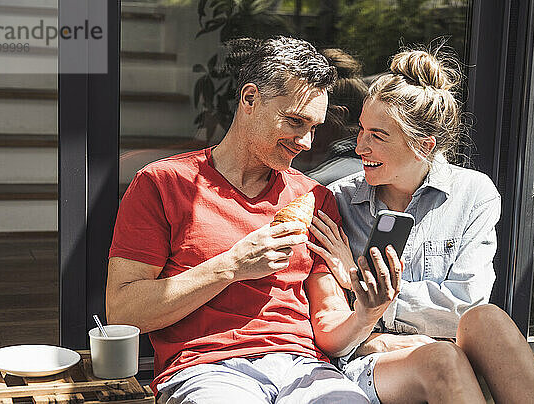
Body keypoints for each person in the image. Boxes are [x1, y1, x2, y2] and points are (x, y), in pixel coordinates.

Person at [106, 36, 405, 404]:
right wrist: (232, 265)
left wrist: (367, 310)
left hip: (305, 367)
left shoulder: (315, 199)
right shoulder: (164, 184)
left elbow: (329, 326)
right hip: (207, 368)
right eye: (296, 122)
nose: (307, 142)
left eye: (315, 127)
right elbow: (124, 312)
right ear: (250, 99)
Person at [308, 46, 534, 403]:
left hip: (451, 345)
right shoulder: (338, 200)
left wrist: (363, 282)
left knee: (488, 319)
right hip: (375, 356)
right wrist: (386, 322)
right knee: (442, 357)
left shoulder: (473, 193)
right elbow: (332, 323)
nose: (359, 146)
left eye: (378, 135)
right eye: (360, 129)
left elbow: (465, 304)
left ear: (424, 145)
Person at [291, 48, 367, 184]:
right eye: (296, 121)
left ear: (339, 115)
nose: (304, 139)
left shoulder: (323, 181)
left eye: (314, 125)